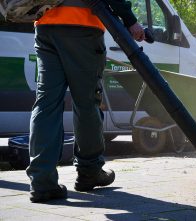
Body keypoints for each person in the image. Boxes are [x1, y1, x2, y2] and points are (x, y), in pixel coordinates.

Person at [26, 0, 145, 203]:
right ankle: (89, 171)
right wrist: (130, 20)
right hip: (82, 27)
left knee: (46, 104)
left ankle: (41, 182)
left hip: (46, 25)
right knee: (87, 102)